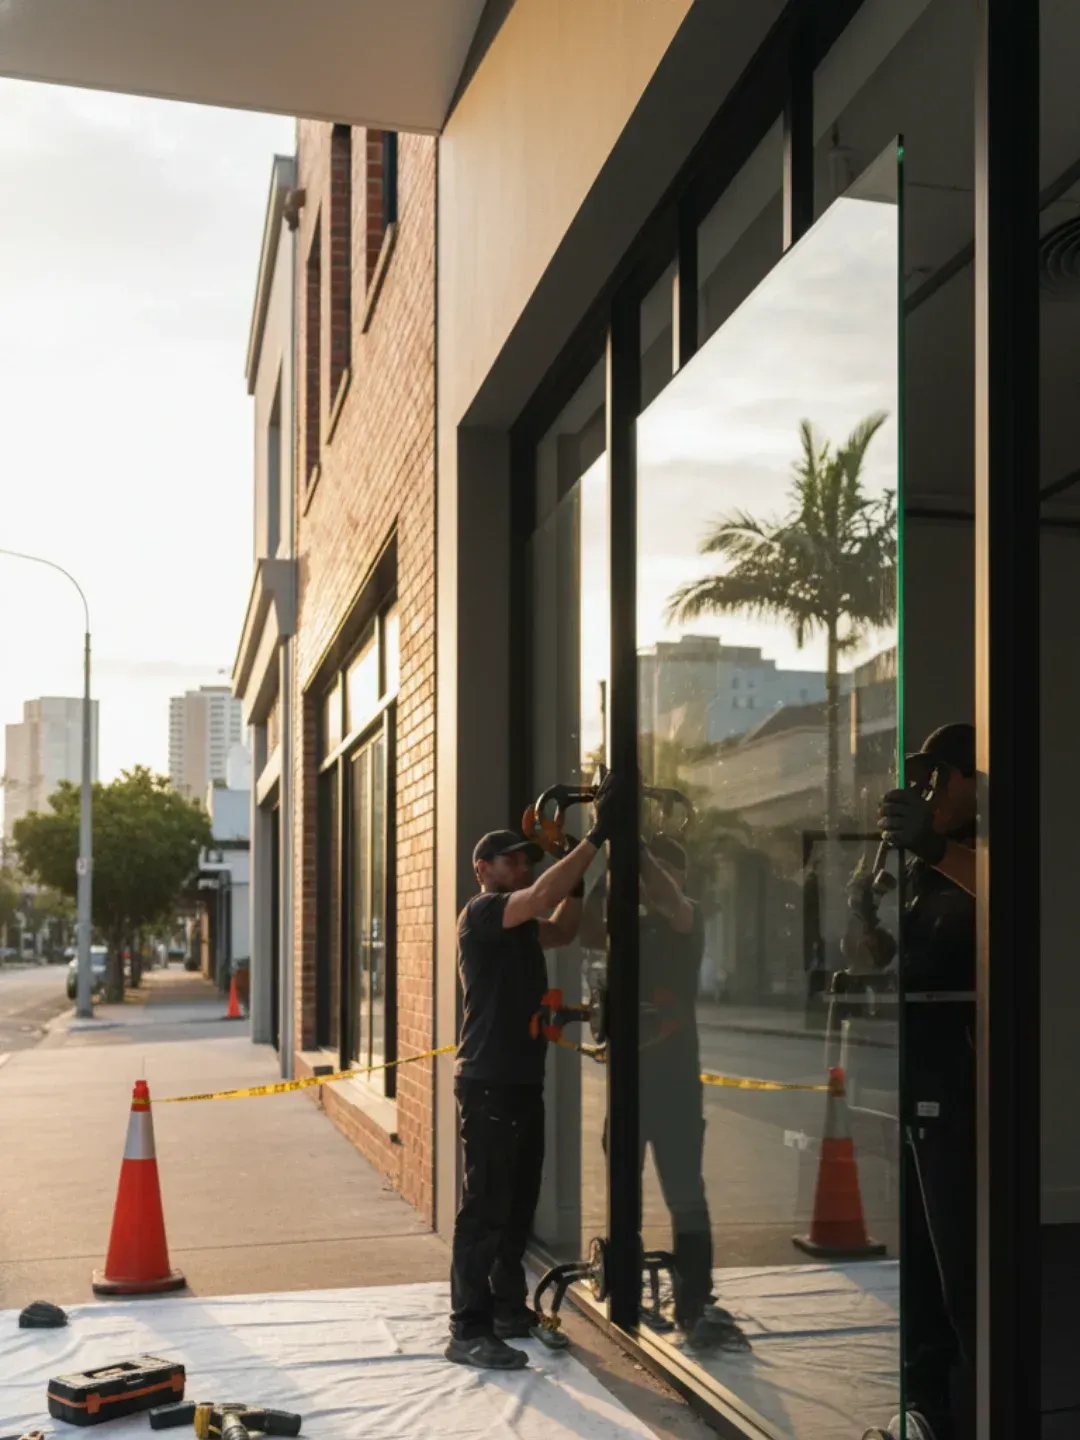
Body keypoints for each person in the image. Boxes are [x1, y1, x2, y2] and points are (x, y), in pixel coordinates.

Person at [446, 772, 619, 1371]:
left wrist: (585, 863)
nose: (522, 868)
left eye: (525, 861)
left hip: (520, 1081)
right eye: (513, 862)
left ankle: (504, 1310)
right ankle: (467, 1329)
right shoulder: (483, 913)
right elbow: (543, 897)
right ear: (484, 869)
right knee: (485, 1208)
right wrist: (594, 838)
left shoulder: (521, 928)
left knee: (517, 1204)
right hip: (489, 1079)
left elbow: (566, 926)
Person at [853, 723, 977, 1440]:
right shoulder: (926, 875)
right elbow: (882, 962)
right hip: (916, 1075)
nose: (930, 789)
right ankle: (929, 1405)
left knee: (961, 1257)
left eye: (941, 776)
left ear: (969, 781)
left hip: (964, 1080)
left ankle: (984, 1395)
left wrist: (933, 847)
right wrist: (862, 918)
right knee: (925, 1260)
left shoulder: (977, 850)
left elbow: (1011, 897)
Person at [581, 833, 747, 1351]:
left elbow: (672, 903)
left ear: (680, 877)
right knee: (622, 1195)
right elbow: (586, 929)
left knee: (685, 1196)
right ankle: (625, 1289)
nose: (654, 884)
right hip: (628, 1085)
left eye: (665, 873)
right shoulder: (626, 924)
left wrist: (639, 857)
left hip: (675, 1087)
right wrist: (610, 867)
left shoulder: (686, 917)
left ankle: (694, 1299)